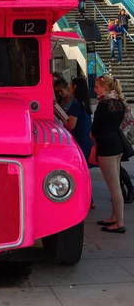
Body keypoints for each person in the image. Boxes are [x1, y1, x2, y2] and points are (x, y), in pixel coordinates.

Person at [92, 75, 127, 233]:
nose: (95, 89)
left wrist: (93, 135)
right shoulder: (119, 102)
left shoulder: (103, 104)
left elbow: (96, 128)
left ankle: (119, 223)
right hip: (118, 145)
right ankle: (114, 217)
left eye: (97, 86)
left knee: (114, 187)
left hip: (106, 146)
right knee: (116, 184)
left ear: (105, 87)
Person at [66, 77, 95, 208]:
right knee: (85, 172)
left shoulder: (75, 104)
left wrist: (64, 120)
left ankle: (87, 200)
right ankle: (90, 199)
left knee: (81, 172)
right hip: (86, 139)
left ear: (75, 87)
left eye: (71, 86)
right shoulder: (85, 102)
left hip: (79, 141)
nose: (69, 88)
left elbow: (71, 125)